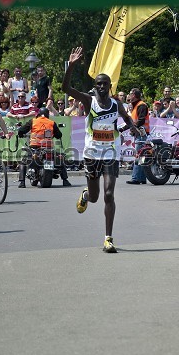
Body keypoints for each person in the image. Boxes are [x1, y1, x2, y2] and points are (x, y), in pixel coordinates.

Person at [62, 46, 139, 253]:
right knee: (96, 196)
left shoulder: (116, 103)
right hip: (92, 153)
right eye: (99, 84)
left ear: (110, 85)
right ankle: (87, 194)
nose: (102, 87)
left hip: (111, 154)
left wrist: (133, 127)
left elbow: (126, 118)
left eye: (105, 84)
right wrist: (71, 66)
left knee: (108, 194)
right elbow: (66, 88)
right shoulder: (89, 101)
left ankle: (108, 239)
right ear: (95, 86)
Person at [17, 107, 71, 188]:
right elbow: (59, 135)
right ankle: (65, 180)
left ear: (38, 115)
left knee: (23, 162)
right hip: (49, 148)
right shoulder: (52, 123)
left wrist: (20, 134)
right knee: (60, 160)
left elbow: (21, 130)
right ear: (47, 115)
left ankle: (22, 182)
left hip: (35, 147)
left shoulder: (33, 121)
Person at [123, 88, 150, 185]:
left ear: (134, 95)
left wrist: (133, 128)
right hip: (139, 134)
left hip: (141, 134)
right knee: (141, 156)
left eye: (130, 94)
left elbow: (141, 121)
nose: (128, 96)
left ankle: (136, 178)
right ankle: (142, 178)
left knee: (138, 156)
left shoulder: (141, 105)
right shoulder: (136, 106)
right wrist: (122, 129)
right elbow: (132, 122)